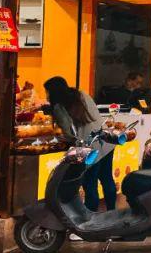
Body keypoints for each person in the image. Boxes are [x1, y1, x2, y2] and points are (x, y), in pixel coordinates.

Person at [45, 76, 110, 211]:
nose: (46, 95)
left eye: (47, 92)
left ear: (53, 92)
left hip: (89, 146)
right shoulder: (82, 94)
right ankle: (112, 212)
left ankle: (90, 216)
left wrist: (65, 139)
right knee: (106, 178)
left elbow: (69, 133)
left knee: (90, 183)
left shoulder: (59, 106)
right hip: (105, 139)